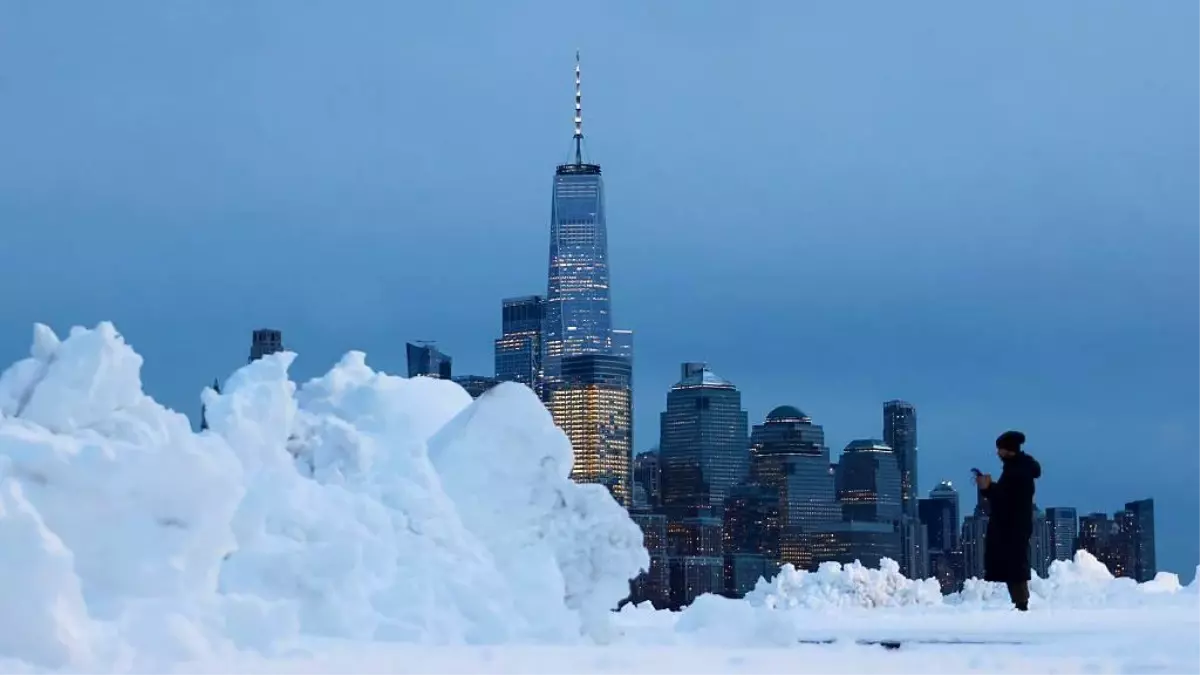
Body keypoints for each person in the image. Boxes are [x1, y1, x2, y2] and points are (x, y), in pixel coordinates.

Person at [975, 430, 1041, 611]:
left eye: (1000, 449)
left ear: (1008, 450)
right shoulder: (1018, 468)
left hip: (1013, 525)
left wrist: (988, 488)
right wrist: (989, 489)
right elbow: (1007, 496)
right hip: (1013, 524)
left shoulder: (1017, 471)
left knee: (1014, 564)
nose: (998, 453)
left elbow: (1009, 499)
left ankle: (1022, 605)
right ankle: (1020, 603)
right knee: (1014, 563)